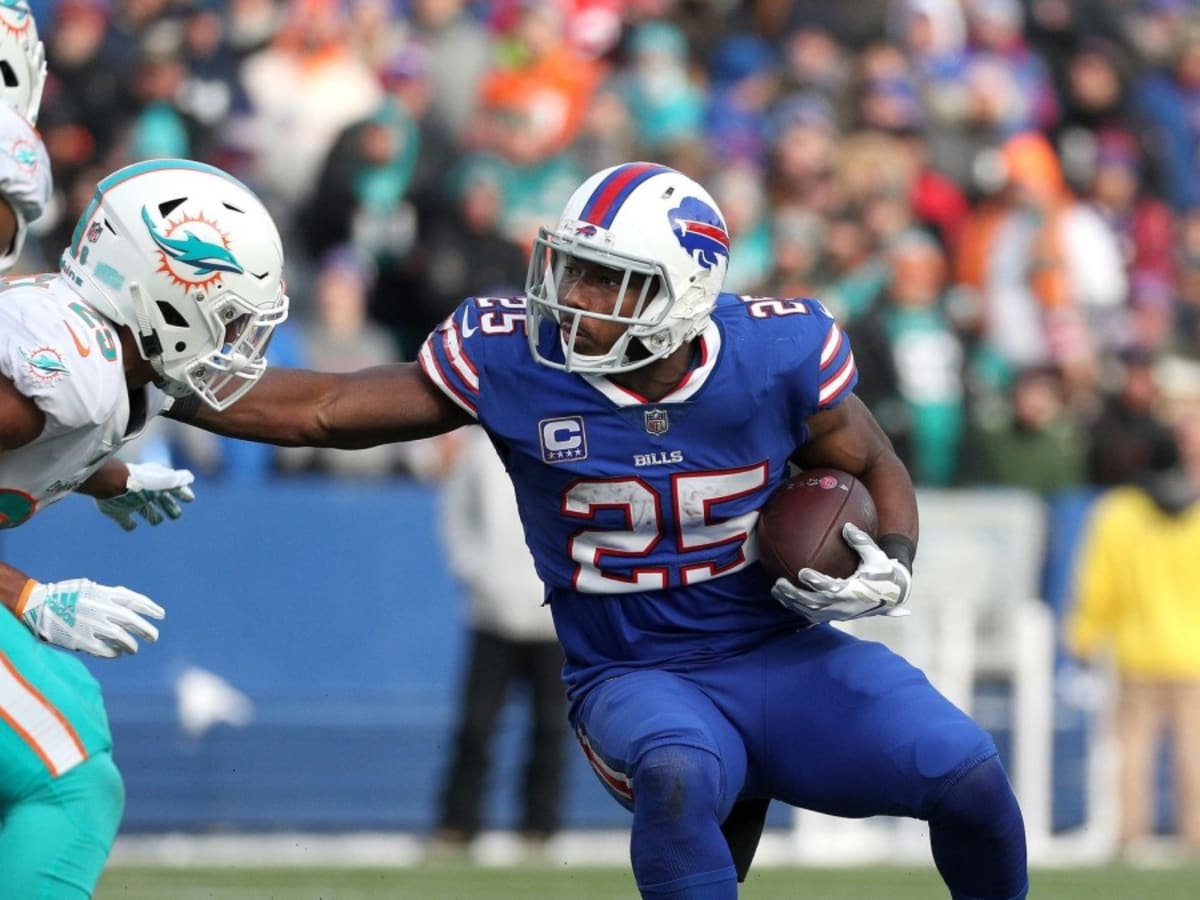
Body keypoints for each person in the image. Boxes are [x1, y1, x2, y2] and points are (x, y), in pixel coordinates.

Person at [169, 161, 1028, 899]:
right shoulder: (517, 359)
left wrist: (896, 560)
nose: (572, 298)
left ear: (683, 294)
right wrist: (154, 377)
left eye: (606, 280)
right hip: (634, 670)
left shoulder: (776, 354)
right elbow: (325, 410)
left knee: (969, 775)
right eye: (573, 268)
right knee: (681, 773)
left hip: (781, 654)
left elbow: (874, 461)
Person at [1, 123, 290, 899]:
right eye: (228, 317)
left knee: (70, 716)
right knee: (64, 774)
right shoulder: (65, 372)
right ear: (166, 289)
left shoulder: (115, 373)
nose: (236, 343)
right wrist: (26, 595)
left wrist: (105, 474)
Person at [1066, 356, 1200, 861]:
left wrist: (1080, 636)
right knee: (1195, 758)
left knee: (1133, 754)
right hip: (1193, 653)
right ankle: (1195, 840)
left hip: (1137, 650)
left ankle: (1130, 838)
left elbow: (1098, 586)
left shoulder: (1119, 513)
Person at [430, 425, 567, 857]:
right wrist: (477, 575)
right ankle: (457, 827)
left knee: (551, 727)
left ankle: (538, 831)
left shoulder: (568, 439)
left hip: (556, 620)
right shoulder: (477, 447)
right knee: (476, 725)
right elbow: (455, 518)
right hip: (492, 614)